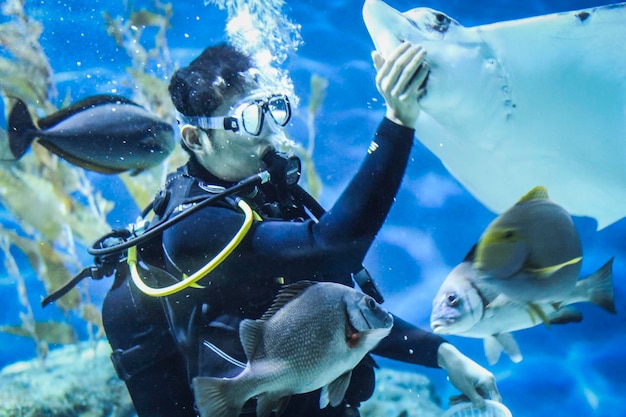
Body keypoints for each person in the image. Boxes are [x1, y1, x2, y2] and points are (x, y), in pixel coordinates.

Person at [102, 42, 500, 417]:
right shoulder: (196, 225)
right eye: (251, 120)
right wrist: (398, 122)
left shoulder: (262, 192)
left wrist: (444, 354)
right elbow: (335, 248)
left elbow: (347, 317)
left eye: (274, 110)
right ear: (195, 138)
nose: (271, 132)